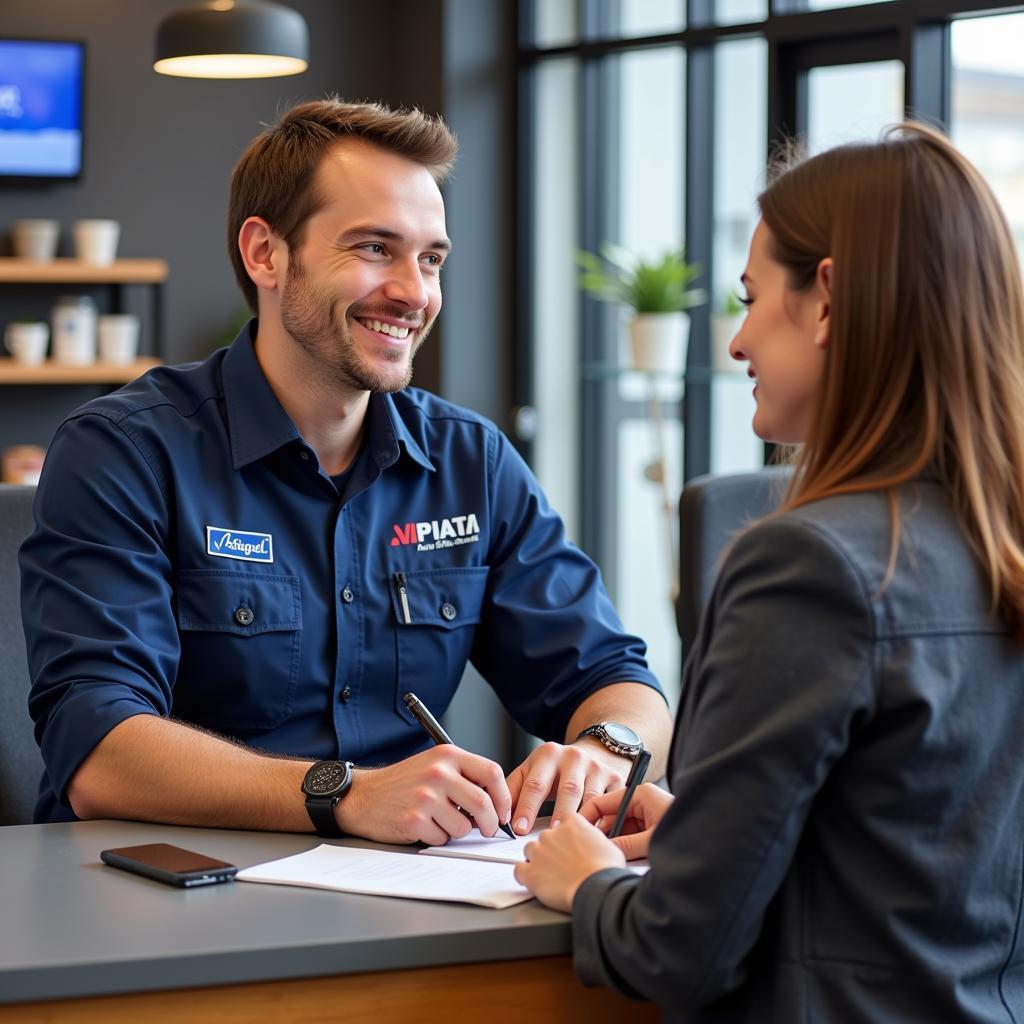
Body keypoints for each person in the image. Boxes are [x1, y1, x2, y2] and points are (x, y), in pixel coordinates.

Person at [20, 98, 671, 841]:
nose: (415, 293)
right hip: (167, 893)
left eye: (430, 258)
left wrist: (605, 752)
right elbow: (98, 747)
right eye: (372, 249)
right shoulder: (124, 452)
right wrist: (345, 794)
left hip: (410, 887)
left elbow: (616, 677)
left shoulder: (470, 461)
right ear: (265, 253)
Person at [515, 122, 1024, 1022]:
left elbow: (678, 950)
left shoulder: (807, 565)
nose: (738, 341)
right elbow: (930, 856)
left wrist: (592, 884)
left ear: (826, 300)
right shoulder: (996, 543)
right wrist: (709, 828)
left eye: (752, 299)